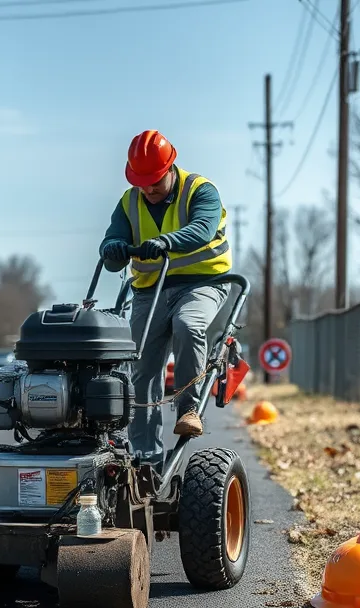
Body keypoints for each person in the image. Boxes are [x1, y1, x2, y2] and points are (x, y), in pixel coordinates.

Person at [99, 129, 232, 469]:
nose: (148, 189)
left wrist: (166, 241)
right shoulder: (129, 203)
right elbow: (113, 244)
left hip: (202, 283)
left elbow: (203, 228)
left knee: (188, 324)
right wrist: (113, 251)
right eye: (141, 182)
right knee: (140, 362)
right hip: (149, 289)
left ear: (171, 168)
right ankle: (146, 455)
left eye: (155, 181)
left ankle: (187, 409)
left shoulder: (201, 191)